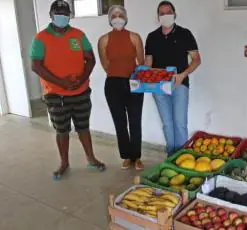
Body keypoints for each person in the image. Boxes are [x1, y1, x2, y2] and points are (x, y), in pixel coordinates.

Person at [30, 0, 105, 180]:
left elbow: (90, 59)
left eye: (65, 14)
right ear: (51, 15)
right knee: (62, 130)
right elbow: (36, 66)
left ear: (69, 16)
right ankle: (64, 162)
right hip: (55, 94)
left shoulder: (78, 35)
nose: (62, 17)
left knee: (83, 127)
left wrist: (81, 79)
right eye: (58, 13)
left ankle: (91, 158)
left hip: (81, 91)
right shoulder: (40, 38)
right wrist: (60, 82)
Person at [145, 1, 201, 157]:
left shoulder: (185, 34)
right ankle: (171, 155)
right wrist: (141, 75)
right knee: (167, 124)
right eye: (161, 13)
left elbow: (196, 59)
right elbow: (148, 61)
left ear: (175, 14)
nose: (165, 15)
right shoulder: (152, 37)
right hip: (158, 87)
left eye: (168, 12)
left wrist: (182, 75)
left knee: (180, 124)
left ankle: (182, 156)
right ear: (158, 17)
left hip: (179, 84)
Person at [98, 5, 145, 170]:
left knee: (135, 121)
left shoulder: (135, 37)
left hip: (133, 82)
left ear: (126, 18)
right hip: (113, 85)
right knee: (120, 122)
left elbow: (141, 62)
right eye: (114, 15)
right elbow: (105, 64)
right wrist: (117, 76)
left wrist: (133, 78)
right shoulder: (104, 39)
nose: (117, 18)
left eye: (121, 15)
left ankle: (136, 157)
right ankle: (126, 156)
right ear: (110, 19)